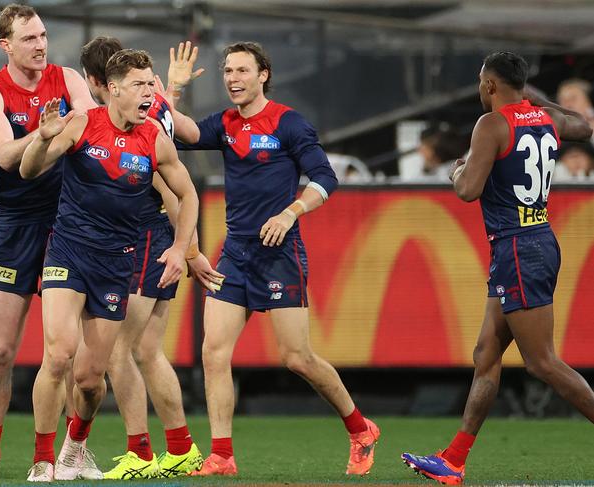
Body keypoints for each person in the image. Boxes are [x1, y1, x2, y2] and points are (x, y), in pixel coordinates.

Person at [170, 41, 380, 476]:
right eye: (228, 71)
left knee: (297, 357)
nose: (233, 79)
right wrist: (173, 90)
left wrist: (291, 212)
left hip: (280, 254)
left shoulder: (289, 123)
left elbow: (325, 177)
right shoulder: (225, 124)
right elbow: (180, 133)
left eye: (242, 71)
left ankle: (360, 428)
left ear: (263, 74)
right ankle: (222, 456)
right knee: (213, 353)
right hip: (235, 254)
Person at [402, 51, 594, 485]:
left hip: (517, 248)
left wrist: (457, 172)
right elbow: (582, 124)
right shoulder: (546, 119)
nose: (478, 88)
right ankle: (453, 461)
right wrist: (535, 100)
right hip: (537, 239)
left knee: (543, 362)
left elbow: (468, 190)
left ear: (490, 85)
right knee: (486, 355)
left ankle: (453, 461)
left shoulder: (491, 124)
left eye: (480, 81)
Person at [20, 48, 199, 481]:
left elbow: (188, 194)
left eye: (152, 83)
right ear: (113, 89)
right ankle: (42, 460)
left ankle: (75, 448)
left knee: (89, 377)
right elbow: (28, 171)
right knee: (59, 355)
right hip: (69, 252)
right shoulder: (82, 124)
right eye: (139, 84)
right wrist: (43, 138)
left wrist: (180, 249)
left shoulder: (155, 137)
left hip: (117, 263)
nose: (149, 91)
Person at [0, 3, 95, 481]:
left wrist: (52, 138)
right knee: (0, 350)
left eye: (42, 35)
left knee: (64, 353)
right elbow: (2, 155)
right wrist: (43, 135)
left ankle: (60, 455)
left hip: (69, 223)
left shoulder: (69, 79)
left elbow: (91, 123)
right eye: (29, 39)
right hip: (15, 225)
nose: (40, 45)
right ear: (6, 45)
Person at [79, 37, 222, 479]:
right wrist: (171, 90)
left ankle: (140, 456)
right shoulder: (154, 106)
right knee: (147, 350)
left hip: (145, 238)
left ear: (96, 82)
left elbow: (166, 187)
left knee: (119, 351)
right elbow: (182, 128)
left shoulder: (127, 126)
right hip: (160, 236)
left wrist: (190, 249)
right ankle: (179, 448)